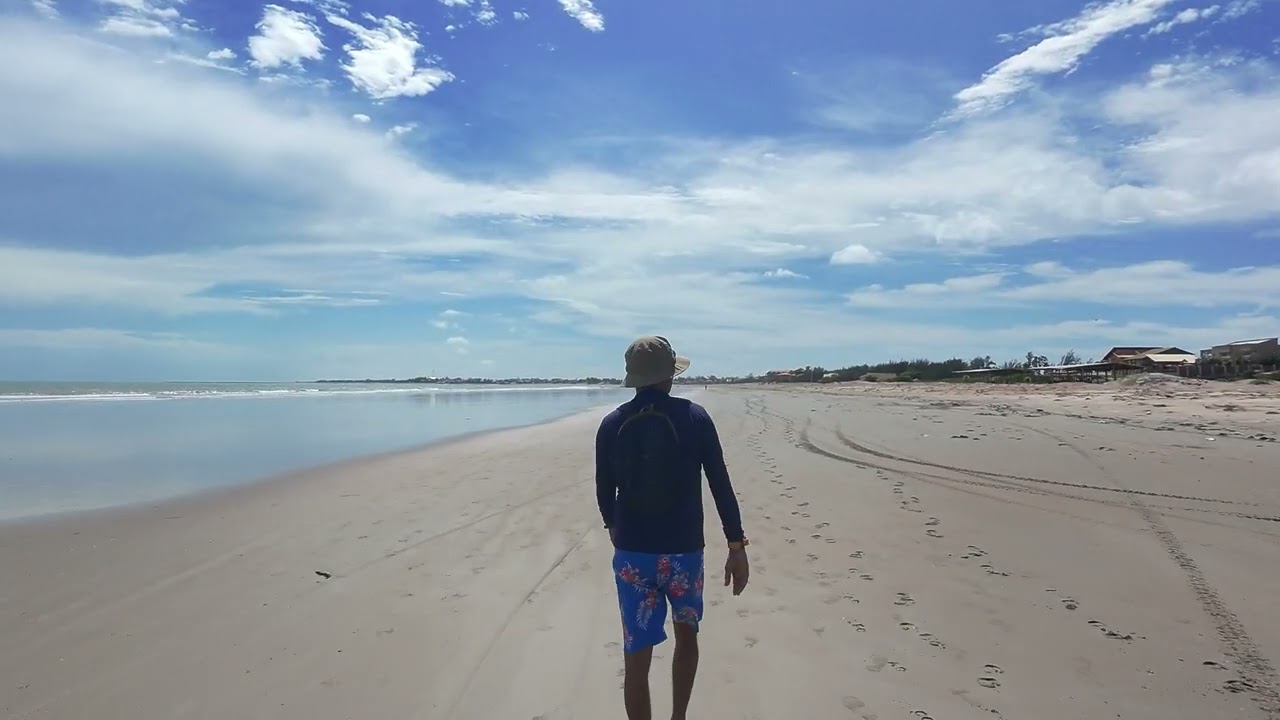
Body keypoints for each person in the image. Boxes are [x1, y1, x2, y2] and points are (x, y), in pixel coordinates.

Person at [595, 335, 749, 720]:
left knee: (636, 656)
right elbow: (719, 483)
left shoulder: (611, 424)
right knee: (687, 636)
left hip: (633, 556)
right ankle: (678, 717)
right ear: (668, 376)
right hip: (683, 555)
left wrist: (614, 527)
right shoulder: (695, 418)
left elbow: (603, 490)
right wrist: (736, 544)